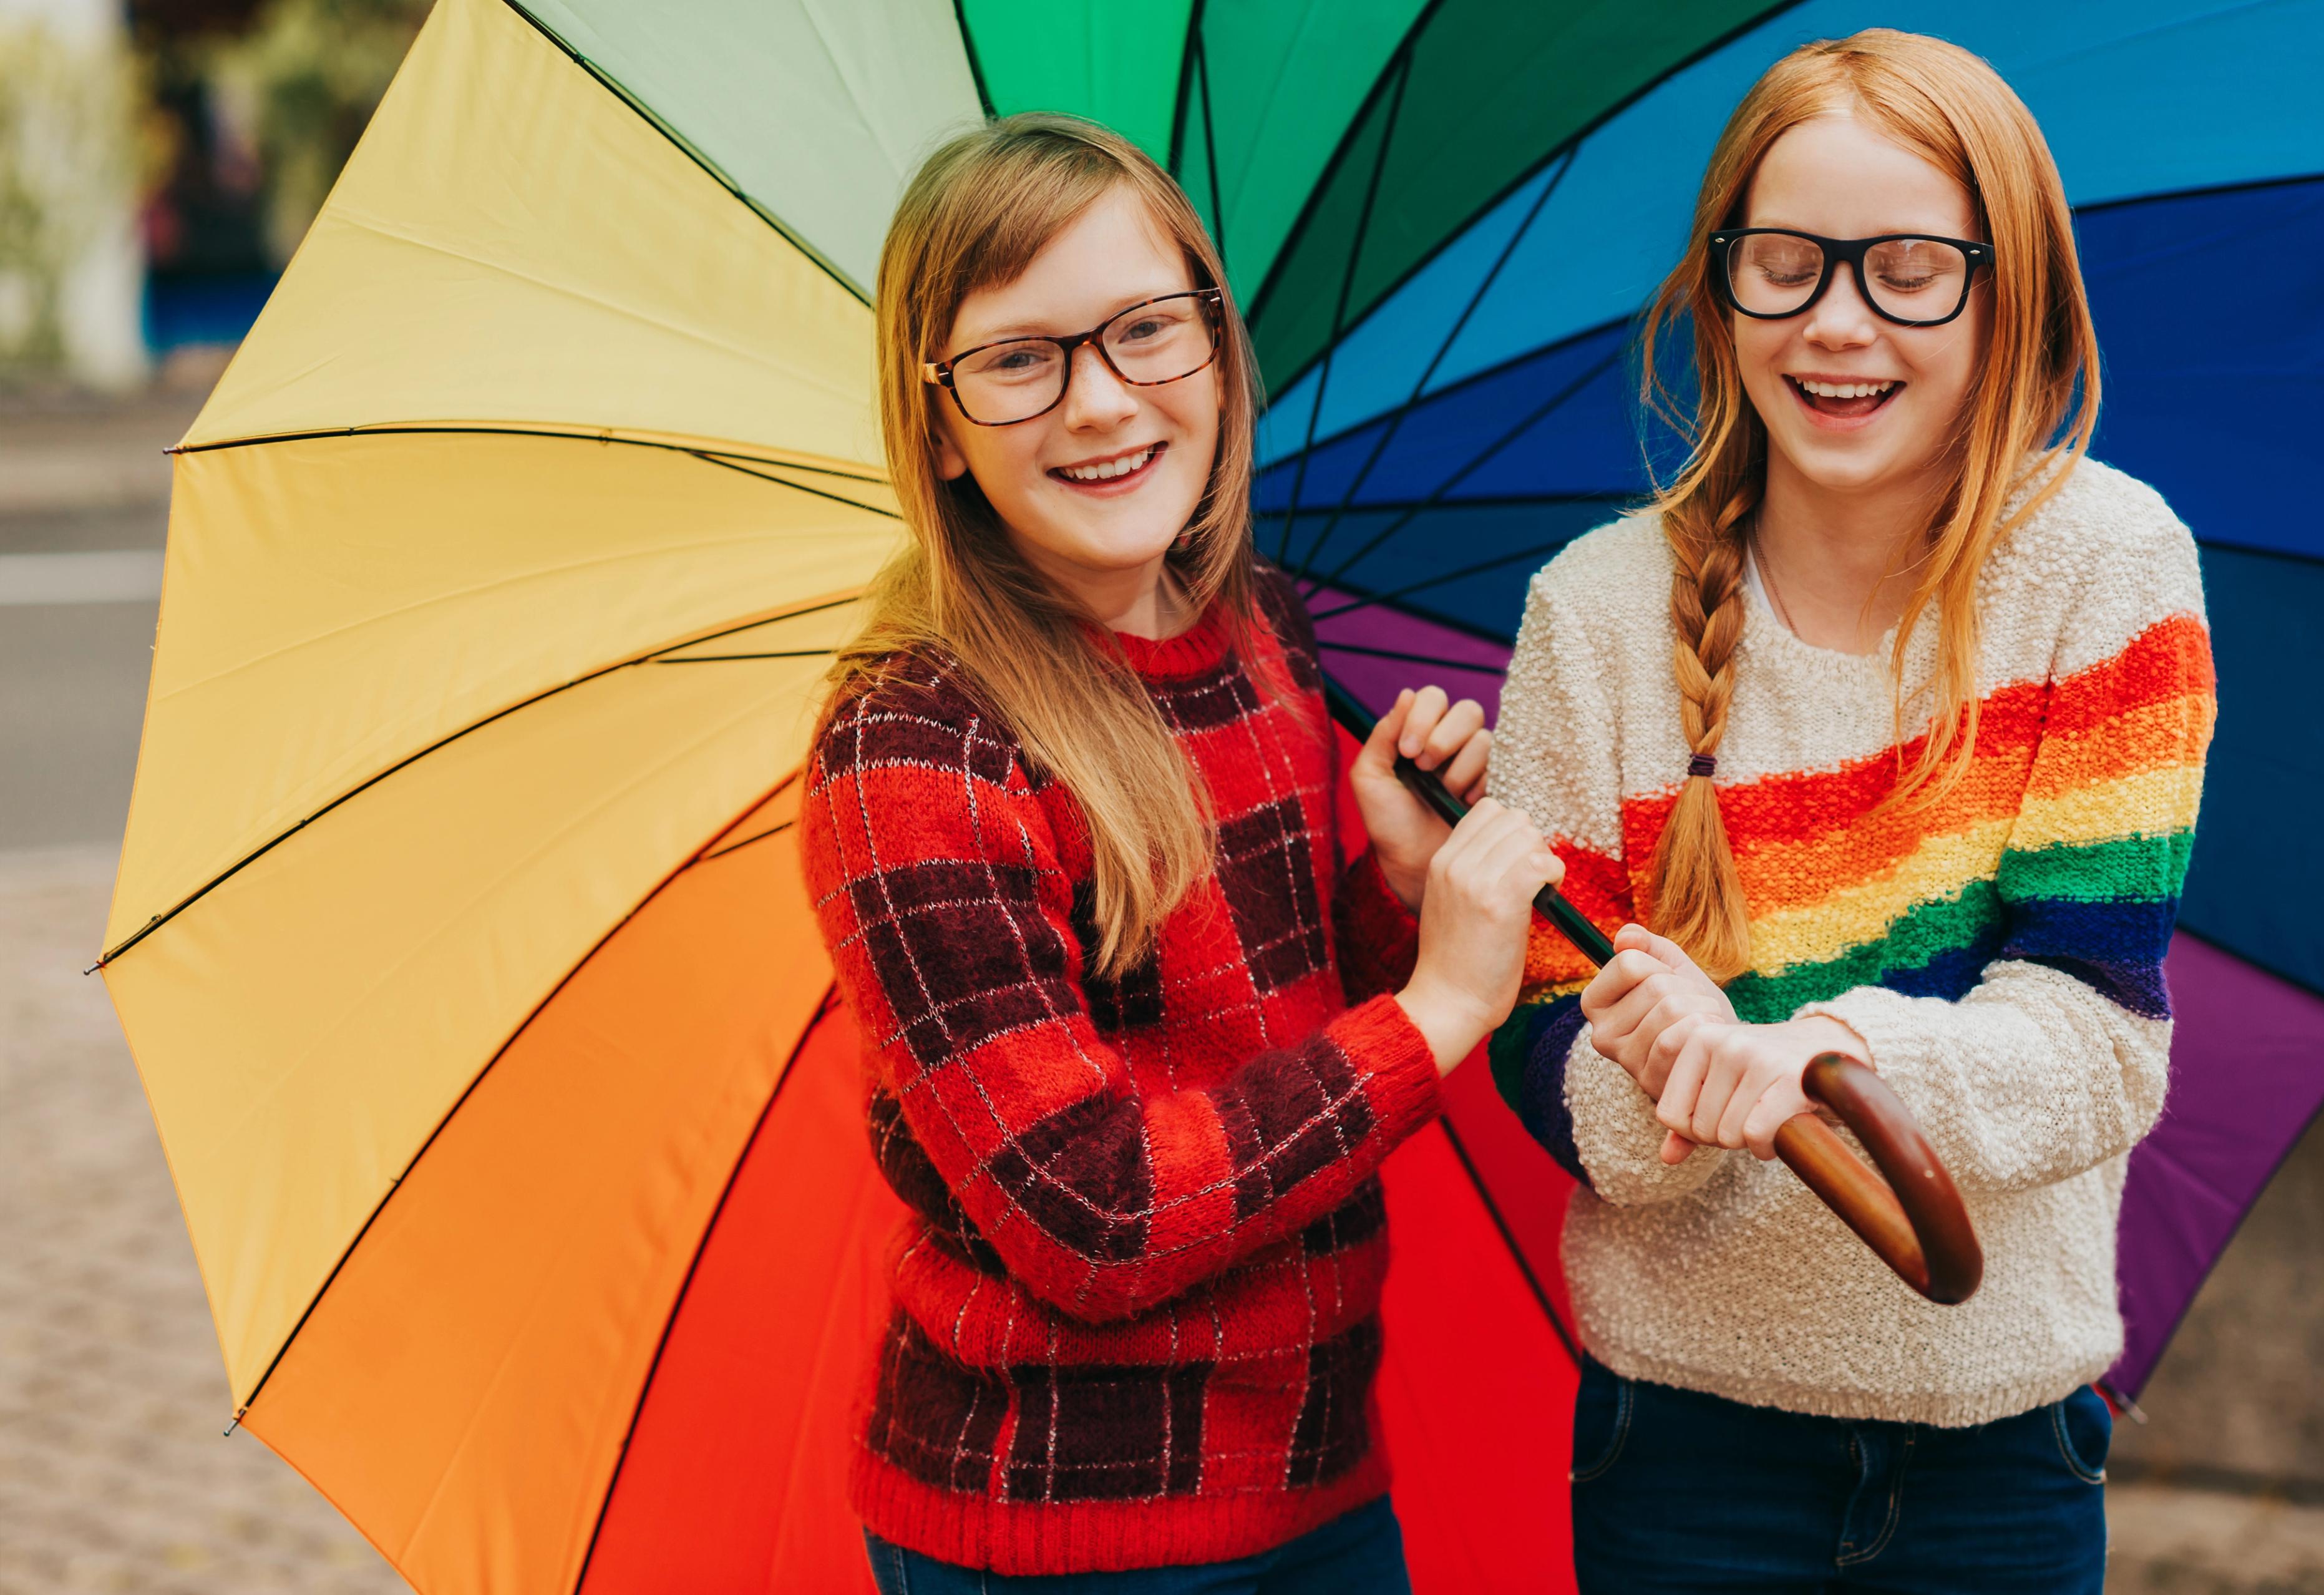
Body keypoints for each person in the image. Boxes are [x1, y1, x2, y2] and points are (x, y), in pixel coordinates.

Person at [1484, 30, 2215, 1593]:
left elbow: (2095, 1034)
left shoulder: (2105, 571)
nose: (1835, 322)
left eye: (1908, 271)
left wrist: (1823, 1058)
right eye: (1786, 265)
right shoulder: (1592, 617)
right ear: (1718, 289)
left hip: (2000, 1449)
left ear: (2010, 294)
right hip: (1681, 1449)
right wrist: (1669, 1085)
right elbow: (1539, 1035)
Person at [798, 114, 1562, 1593]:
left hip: (1317, 1481)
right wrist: (1441, 1012)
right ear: (938, 426)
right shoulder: (915, 751)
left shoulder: (1263, 629)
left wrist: (1397, 898)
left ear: (1216, 348)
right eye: (1019, 360)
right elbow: (1093, 1215)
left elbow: (1258, 1044)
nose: (1100, 403)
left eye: (1146, 329)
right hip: (1063, 1530)